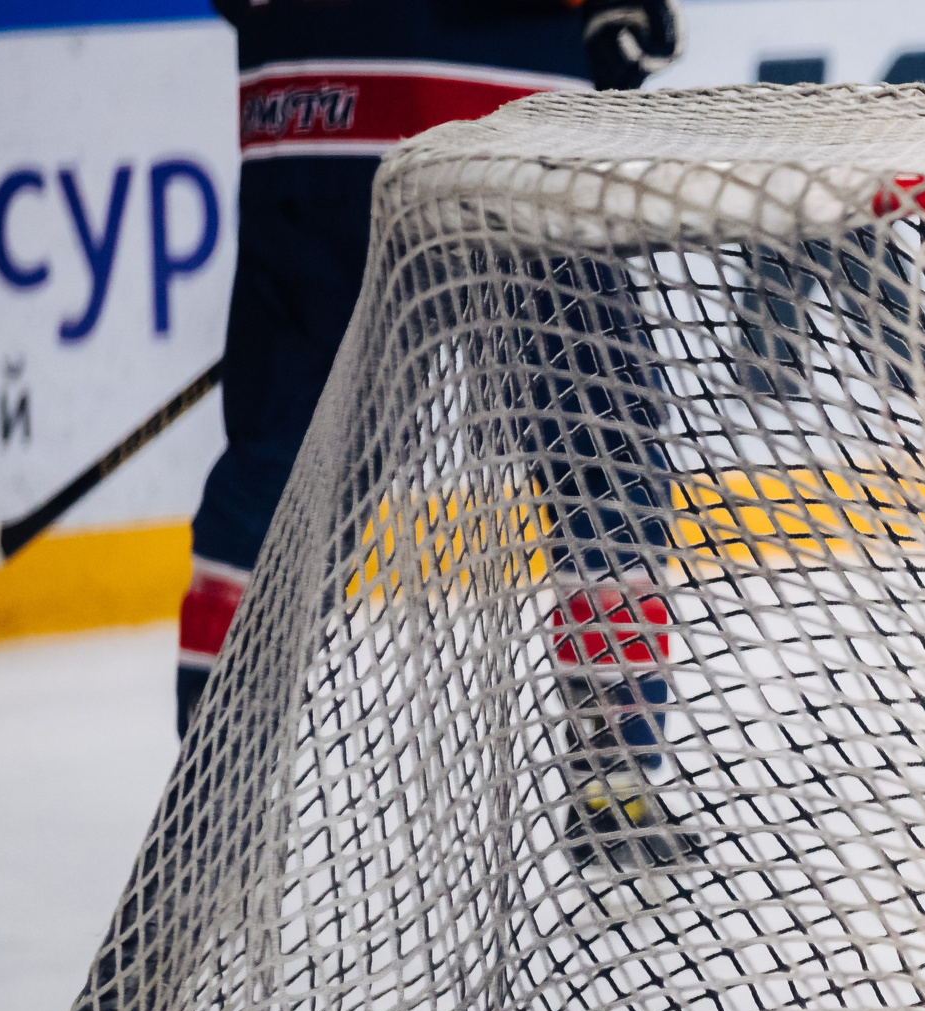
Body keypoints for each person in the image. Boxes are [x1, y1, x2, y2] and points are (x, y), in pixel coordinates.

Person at [176, 0, 683, 736]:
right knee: (602, 453)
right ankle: (618, 778)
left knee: (280, 471)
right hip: (492, 112)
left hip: (292, 111)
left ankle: (215, 801)